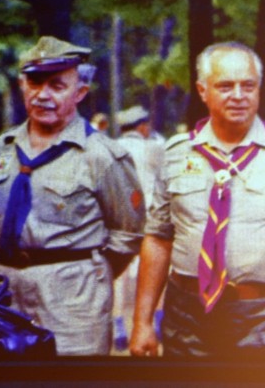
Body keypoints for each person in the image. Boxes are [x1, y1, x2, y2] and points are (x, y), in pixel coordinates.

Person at [129, 42, 265, 359]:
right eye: (225, 86)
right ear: (202, 90)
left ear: (259, 90)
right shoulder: (177, 153)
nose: (238, 95)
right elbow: (157, 239)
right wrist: (142, 321)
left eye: (248, 85)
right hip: (188, 315)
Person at [0, 36, 145, 355]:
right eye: (35, 82)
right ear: (22, 84)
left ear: (80, 92)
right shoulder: (1, 148)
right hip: (3, 291)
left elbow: (128, 235)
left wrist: (84, 272)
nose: (43, 95)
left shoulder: (103, 155)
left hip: (73, 303)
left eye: (57, 85)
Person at [112, 105, 164, 350]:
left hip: (119, 218)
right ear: (142, 126)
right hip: (150, 216)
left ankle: (118, 324)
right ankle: (158, 320)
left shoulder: (111, 148)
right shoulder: (152, 147)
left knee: (119, 275)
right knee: (158, 267)